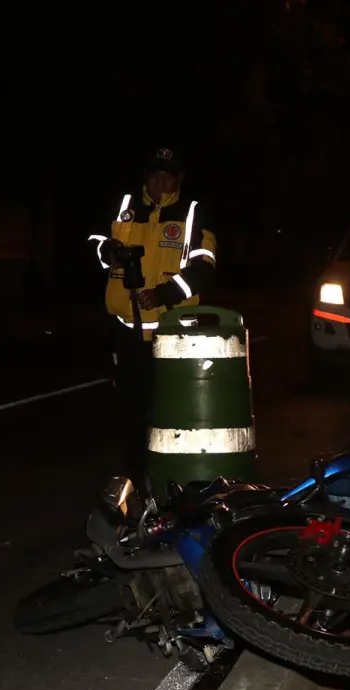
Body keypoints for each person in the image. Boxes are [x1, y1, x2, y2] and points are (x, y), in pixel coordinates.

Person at [89, 148, 218, 482]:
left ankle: (175, 479)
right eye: (155, 175)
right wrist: (110, 252)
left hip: (174, 334)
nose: (160, 182)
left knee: (173, 409)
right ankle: (138, 478)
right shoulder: (126, 207)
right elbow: (95, 241)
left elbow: (205, 266)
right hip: (127, 330)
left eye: (168, 176)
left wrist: (166, 293)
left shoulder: (191, 213)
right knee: (131, 410)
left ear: (179, 179)